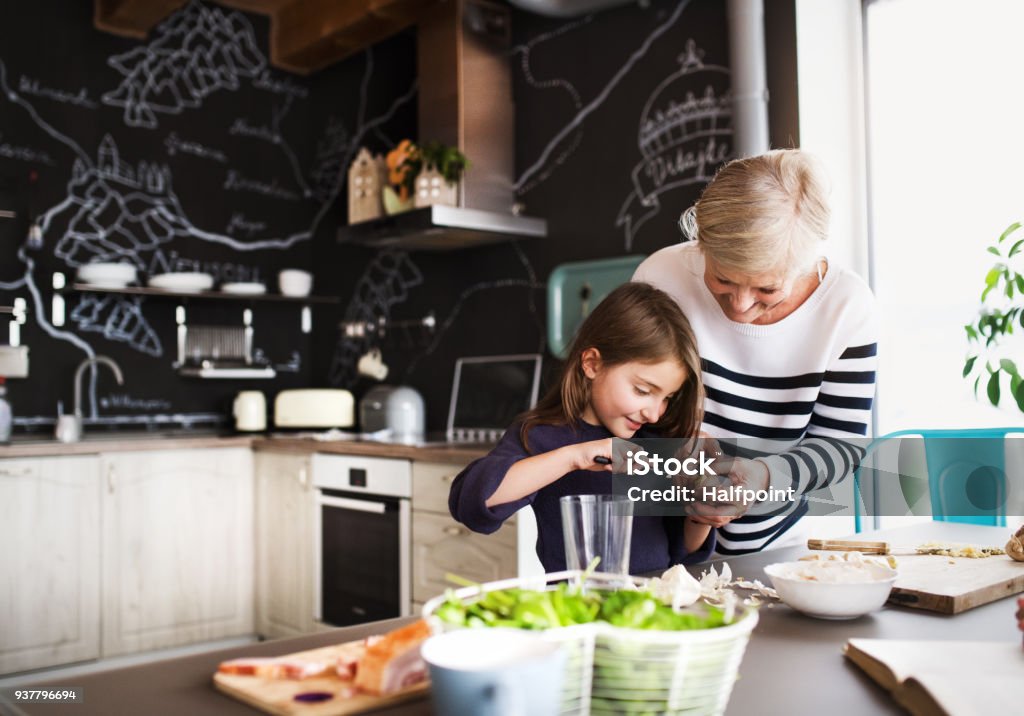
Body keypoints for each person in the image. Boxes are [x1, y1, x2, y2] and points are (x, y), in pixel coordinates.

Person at [633, 148, 879, 555]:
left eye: (767, 289)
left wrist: (763, 476)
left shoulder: (847, 308)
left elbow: (841, 447)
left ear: (808, 261)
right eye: (723, 279)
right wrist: (672, 452)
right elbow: (620, 409)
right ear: (702, 243)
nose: (741, 306)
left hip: (776, 547)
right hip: (655, 544)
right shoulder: (662, 277)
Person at [448, 282, 718, 574]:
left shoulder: (657, 440)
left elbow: (683, 553)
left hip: (655, 611)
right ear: (592, 364)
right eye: (642, 390)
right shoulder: (544, 436)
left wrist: (701, 516)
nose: (654, 413)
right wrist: (575, 457)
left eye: (667, 398)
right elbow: (472, 503)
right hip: (577, 613)